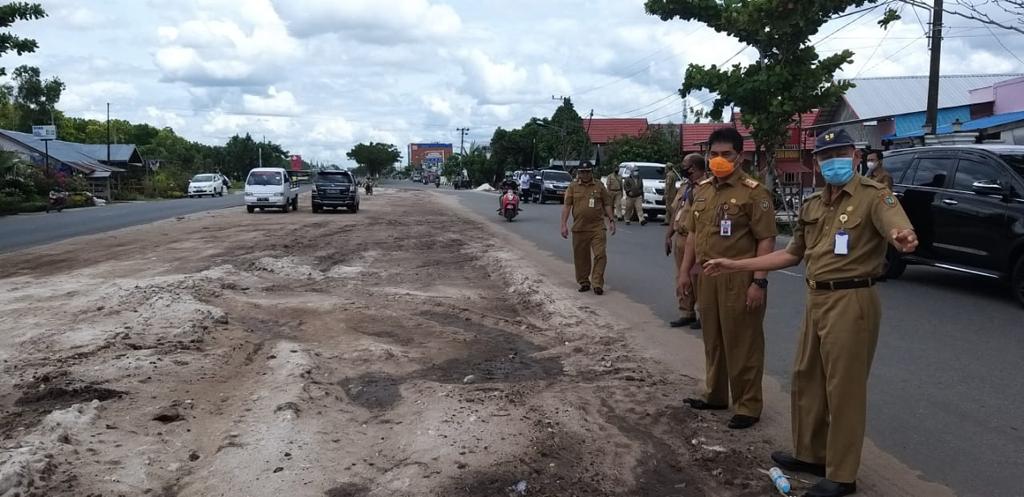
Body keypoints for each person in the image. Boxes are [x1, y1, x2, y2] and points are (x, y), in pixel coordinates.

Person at [703, 129, 918, 497]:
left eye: (839, 152)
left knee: (844, 388)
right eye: (824, 155)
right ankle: (812, 454)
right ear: (816, 162)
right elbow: (790, 254)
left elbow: (897, 227)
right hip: (816, 298)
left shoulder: (873, 196)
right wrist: (735, 265)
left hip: (852, 300)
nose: (831, 160)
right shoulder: (815, 203)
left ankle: (842, 474)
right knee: (807, 378)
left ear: (854, 155)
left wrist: (903, 236)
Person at [677, 126, 777, 430]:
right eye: (714, 154)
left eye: (726, 155)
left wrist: (759, 281)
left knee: (743, 342)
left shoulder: (753, 192)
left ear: (740, 156)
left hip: (740, 278)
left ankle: (748, 405)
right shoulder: (703, 189)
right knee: (714, 339)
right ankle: (716, 394)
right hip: (707, 277)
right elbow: (694, 234)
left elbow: (767, 240)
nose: (719, 160)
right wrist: (684, 272)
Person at [560, 161, 616, 295]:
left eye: (587, 172)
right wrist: (563, 224)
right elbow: (567, 206)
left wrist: (611, 220)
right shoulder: (573, 187)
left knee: (600, 254)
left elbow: (607, 203)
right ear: (578, 173)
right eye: (582, 172)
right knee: (581, 257)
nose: (585, 174)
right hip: (579, 228)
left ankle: (597, 283)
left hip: (597, 227)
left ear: (591, 172)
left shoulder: (599, 186)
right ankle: (584, 281)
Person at [665, 154, 706, 329]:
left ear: (694, 168)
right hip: (681, 238)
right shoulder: (684, 187)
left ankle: (704, 314)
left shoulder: (707, 188)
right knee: (682, 276)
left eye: (685, 165)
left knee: (697, 278)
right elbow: (677, 212)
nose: (682, 168)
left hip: (696, 238)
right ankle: (686, 312)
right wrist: (668, 235)